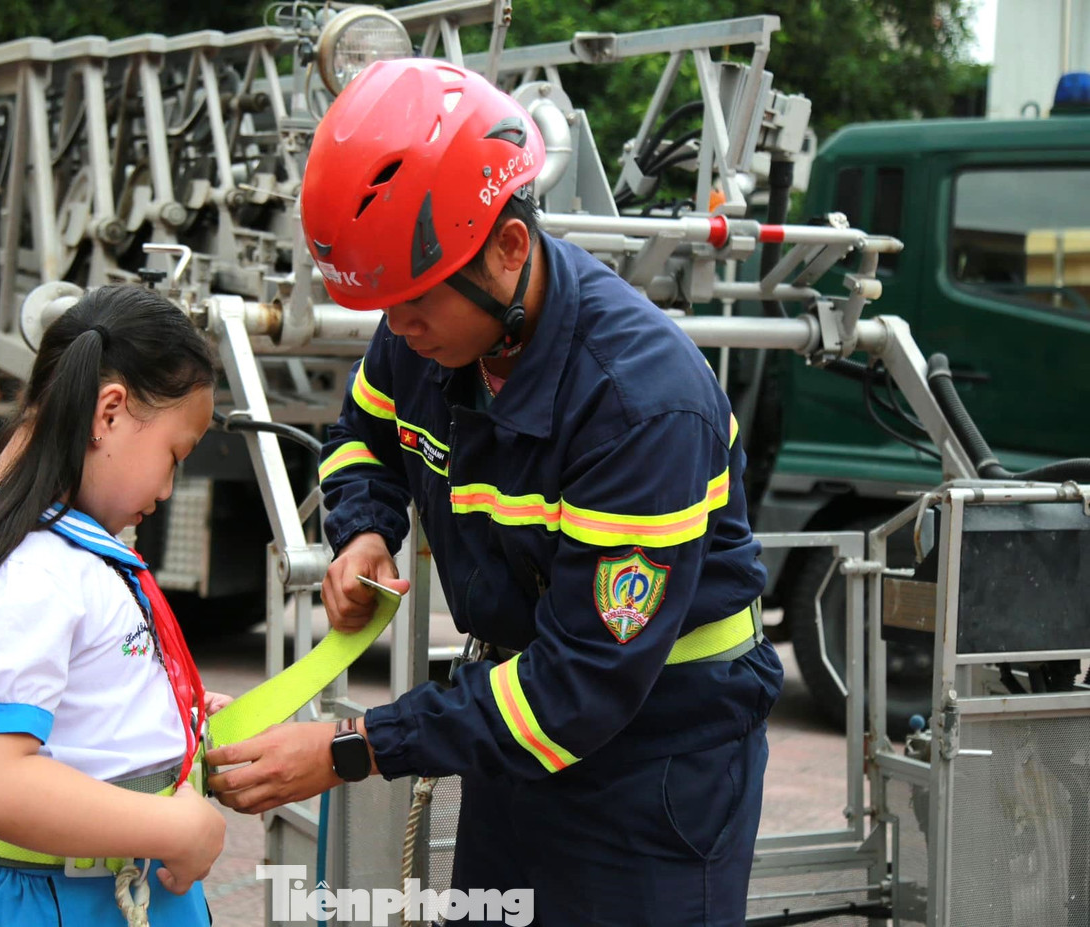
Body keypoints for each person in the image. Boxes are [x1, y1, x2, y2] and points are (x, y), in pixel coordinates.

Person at [206, 58, 784, 925]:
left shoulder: (637, 404)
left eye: (412, 306)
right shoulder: (429, 327)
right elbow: (361, 436)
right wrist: (366, 530)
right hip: (520, 744)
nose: (394, 332)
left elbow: (582, 685)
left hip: (655, 768)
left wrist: (352, 748)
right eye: (384, 310)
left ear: (509, 249)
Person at [0, 286, 227, 927]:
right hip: (52, 900)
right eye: (174, 457)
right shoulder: (24, 564)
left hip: (98, 891)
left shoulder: (56, 550)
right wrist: (171, 823)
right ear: (108, 413)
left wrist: (162, 712)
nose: (168, 489)